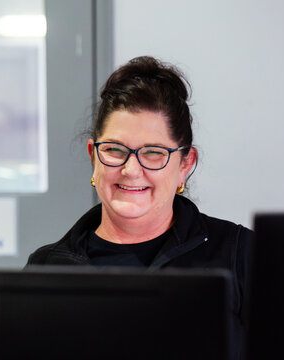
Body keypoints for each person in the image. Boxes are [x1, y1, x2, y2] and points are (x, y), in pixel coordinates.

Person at [27, 55, 252, 355]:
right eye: (115, 149)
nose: (131, 170)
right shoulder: (46, 269)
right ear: (93, 156)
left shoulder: (239, 255)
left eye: (153, 153)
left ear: (185, 164)